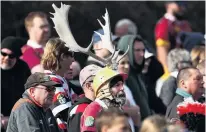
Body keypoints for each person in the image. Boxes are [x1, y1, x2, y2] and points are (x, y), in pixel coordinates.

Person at [41, 38, 74, 131]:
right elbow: (64, 112)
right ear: (63, 57)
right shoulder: (52, 81)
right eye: (71, 55)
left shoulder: (60, 79)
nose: (74, 60)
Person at [80, 66, 127, 132]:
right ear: (104, 88)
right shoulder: (94, 109)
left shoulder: (117, 109)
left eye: (122, 84)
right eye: (117, 85)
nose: (122, 88)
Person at [117, 34, 151, 120]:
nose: (142, 54)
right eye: (137, 50)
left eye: (143, 50)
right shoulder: (119, 80)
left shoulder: (138, 76)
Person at [154, 1, 192, 80]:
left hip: (187, 69)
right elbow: (162, 50)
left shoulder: (185, 24)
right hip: (173, 70)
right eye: (179, 4)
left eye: (184, 4)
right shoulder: (164, 24)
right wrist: (167, 73)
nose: (183, 7)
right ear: (169, 4)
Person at [1, 36, 31, 131]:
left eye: (11, 56)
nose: (6, 58)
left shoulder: (22, 68)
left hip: (17, 115)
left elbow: (28, 94)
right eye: (3, 54)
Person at [67, 64, 102, 132]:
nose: (105, 84)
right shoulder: (80, 109)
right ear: (89, 85)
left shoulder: (100, 105)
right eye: (100, 80)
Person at [116, 51, 141, 131]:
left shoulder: (126, 88)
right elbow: (116, 111)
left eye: (128, 63)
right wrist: (134, 109)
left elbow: (137, 119)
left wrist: (133, 110)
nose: (126, 66)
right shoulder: (109, 87)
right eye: (122, 63)